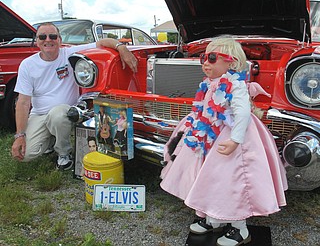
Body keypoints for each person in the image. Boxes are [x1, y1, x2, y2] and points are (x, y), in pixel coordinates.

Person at [160, 36, 288, 246]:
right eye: (203, 57)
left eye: (212, 58)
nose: (205, 62)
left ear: (232, 62)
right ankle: (212, 219)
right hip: (209, 138)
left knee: (231, 182)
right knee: (207, 178)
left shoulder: (235, 85)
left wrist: (235, 140)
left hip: (233, 139)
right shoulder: (209, 84)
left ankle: (239, 228)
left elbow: (242, 113)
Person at [11, 22, 138, 170]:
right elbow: (23, 103)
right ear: (37, 40)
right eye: (42, 37)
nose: (48, 40)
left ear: (59, 39)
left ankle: (63, 154)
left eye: (53, 36)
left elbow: (103, 42)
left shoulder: (70, 53)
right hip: (39, 114)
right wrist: (19, 136)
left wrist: (121, 47)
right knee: (26, 155)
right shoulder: (27, 65)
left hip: (64, 112)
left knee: (58, 116)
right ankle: (51, 140)